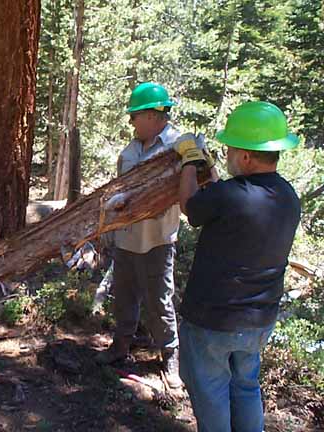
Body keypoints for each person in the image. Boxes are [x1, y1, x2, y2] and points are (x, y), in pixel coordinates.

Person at [174, 101, 301, 432]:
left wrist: (189, 163)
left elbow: (191, 206)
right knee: (245, 387)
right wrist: (209, 171)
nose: (227, 153)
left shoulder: (230, 195)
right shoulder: (288, 196)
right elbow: (227, 201)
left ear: (245, 157)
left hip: (213, 319)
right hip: (259, 320)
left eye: (230, 148)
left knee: (211, 392)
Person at [95, 82, 183, 389]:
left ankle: (170, 355)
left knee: (160, 301)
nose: (131, 121)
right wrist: (109, 231)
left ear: (152, 115)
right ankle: (121, 345)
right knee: (124, 295)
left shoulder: (178, 147)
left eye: (135, 115)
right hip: (127, 239)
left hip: (158, 239)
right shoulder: (129, 152)